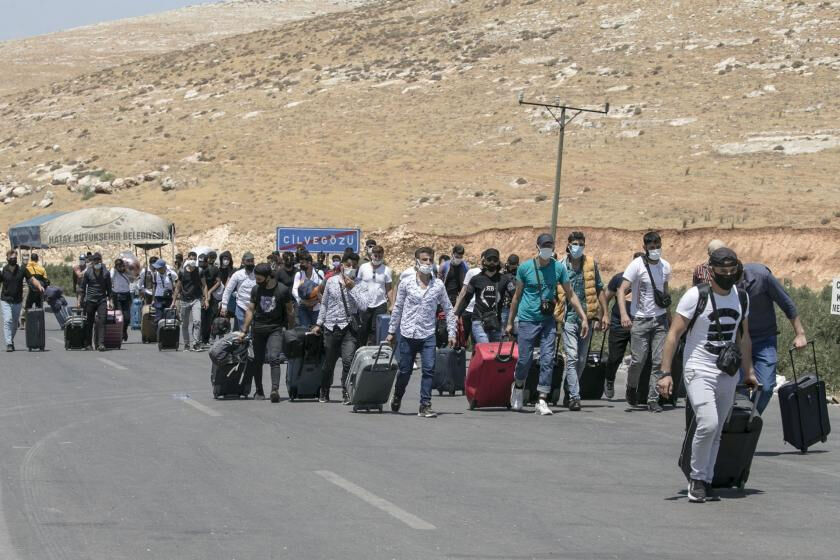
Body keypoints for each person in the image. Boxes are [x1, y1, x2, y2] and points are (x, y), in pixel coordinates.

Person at [658, 247, 758, 503]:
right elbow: (673, 335)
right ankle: (696, 478)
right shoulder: (695, 296)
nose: (727, 275)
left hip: (727, 372)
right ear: (710, 271)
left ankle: (706, 478)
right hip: (698, 368)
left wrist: (749, 371)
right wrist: (666, 373)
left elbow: (744, 338)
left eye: (731, 271)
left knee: (718, 429)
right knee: (709, 422)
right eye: (722, 271)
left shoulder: (742, 298)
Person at [506, 233, 589, 416]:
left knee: (548, 359)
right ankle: (518, 386)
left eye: (550, 246)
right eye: (544, 246)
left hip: (548, 321)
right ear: (537, 247)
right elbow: (517, 297)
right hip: (527, 319)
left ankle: (542, 399)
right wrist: (510, 322)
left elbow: (570, 294)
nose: (547, 249)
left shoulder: (558, 268)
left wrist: (583, 316)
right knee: (525, 359)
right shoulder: (525, 268)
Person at [387, 246, 456, 418]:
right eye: (424, 260)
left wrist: (452, 333)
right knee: (405, 371)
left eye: (430, 260)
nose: (428, 263)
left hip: (427, 333)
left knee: (429, 369)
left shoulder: (438, 285)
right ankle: (397, 395)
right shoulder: (406, 284)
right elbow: (398, 308)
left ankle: (425, 405)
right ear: (417, 261)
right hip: (408, 333)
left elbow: (448, 309)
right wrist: (391, 331)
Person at [738, 262, 808, 413]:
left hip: (764, 340)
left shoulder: (762, 276)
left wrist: (800, 333)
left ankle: (751, 417)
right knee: (739, 389)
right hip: (738, 341)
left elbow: (786, 302)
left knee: (767, 387)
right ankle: (740, 425)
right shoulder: (723, 283)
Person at [616, 232, 673, 412]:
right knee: (638, 360)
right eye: (651, 247)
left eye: (657, 245)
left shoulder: (665, 266)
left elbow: (664, 292)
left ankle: (653, 399)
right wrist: (625, 315)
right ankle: (631, 386)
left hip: (660, 320)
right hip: (640, 320)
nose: (655, 249)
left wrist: (669, 316)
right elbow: (621, 290)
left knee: (658, 361)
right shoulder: (637, 265)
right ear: (645, 248)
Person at [556, 231, 610, 410]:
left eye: (580, 244)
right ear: (568, 245)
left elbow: (599, 289)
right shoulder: (561, 266)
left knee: (581, 359)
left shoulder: (590, 264)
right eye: (574, 244)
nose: (577, 247)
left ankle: (569, 388)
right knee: (571, 357)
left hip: (588, 318)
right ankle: (574, 397)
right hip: (568, 318)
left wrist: (604, 313)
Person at [312, 252, 368, 403]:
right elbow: (324, 304)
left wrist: (352, 288)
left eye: (354, 266)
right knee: (329, 363)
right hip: (331, 327)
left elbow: (363, 306)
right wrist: (319, 323)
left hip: (349, 327)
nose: (351, 268)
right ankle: (324, 390)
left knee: (348, 361)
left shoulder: (361, 284)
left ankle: (346, 391)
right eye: (348, 265)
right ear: (342, 265)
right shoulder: (331, 281)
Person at [240, 263, 295, 401]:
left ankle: (274, 390)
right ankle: (259, 391)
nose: (257, 282)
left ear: (268, 277)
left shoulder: (282, 290)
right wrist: (244, 330)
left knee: (274, 357)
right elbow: (250, 310)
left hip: (275, 328)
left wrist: (291, 330)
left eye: (259, 279)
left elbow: (290, 311)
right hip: (258, 329)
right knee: (257, 361)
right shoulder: (256, 290)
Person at [603, 252, 645, 399]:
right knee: (615, 357)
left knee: (639, 358)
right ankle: (609, 379)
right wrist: (604, 315)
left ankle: (632, 387)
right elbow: (605, 297)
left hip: (640, 324)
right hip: (618, 323)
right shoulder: (619, 278)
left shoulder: (648, 281)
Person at [455, 248, 504, 343]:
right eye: (489, 260)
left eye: (495, 260)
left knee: (496, 354)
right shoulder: (476, 279)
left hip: (496, 322)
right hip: (479, 321)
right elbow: (466, 298)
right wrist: (457, 314)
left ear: (498, 262)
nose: (492, 262)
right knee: (485, 349)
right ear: (484, 261)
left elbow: (516, 297)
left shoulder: (504, 279)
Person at [1, 250, 42, 351]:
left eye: (15, 258)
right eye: (11, 258)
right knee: (7, 320)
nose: (13, 260)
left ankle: (10, 339)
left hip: (17, 301)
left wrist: (39, 286)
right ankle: (9, 343)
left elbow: (32, 279)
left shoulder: (22, 270)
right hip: (5, 300)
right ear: (7, 259)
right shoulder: (3, 270)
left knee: (14, 323)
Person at [356, 245, 394, 346]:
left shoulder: (387, 270)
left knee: (375, 329)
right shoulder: (363, 267)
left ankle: (373, 351)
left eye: (379, 256)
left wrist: (392, 304)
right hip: (365, 303)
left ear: (382, 256)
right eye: (375, 255)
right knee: (363, 328)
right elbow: (358, 284)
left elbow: (389, 288)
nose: (377, 258)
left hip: (380, 303)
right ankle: (360, 350)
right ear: (371, 255)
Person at [172, 259, 208, 351]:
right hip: (184, 300)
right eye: (190, 267)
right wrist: (173, 302)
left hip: (196, 299)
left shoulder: (199, 271)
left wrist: (206, 299)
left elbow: (204, 285)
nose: (192, 269)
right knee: (185, 324)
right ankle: (186, 344)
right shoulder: (182, 272)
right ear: (187, 266)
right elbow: (178, 287)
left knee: (197, 321)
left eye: (193, 267)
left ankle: (196, 343)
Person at [79, 252, 112, 351]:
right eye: (95, 260)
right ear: (92, 262)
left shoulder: (106, 273)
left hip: (102, 300)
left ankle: (101, 344)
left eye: (98, 260)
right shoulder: (88, 272)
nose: (97, 262)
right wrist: (80, 300)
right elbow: (83, 287)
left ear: (101, 261)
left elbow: (109, 289)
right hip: (90, 300)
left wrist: (110, 301)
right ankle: (88, 344)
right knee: (89, 322)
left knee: (102, 320)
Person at [221, 252, 256, 331]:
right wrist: (224, 306)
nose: (250, 263)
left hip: (255, 306)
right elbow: (228, 290)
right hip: (241, 306)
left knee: (254, 331)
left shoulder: (258, 273)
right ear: (243, 261)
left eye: (252, 261)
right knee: (242, 331)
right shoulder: (237, 274)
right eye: (248, 261)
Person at [292, 253, 324, 328]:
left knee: (316, 330)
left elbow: (322, 289)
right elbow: (294, 290)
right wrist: (302, 301)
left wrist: (315, 301)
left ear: (309, 263)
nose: (300, 265)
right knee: (304, 329)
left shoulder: (319, 273)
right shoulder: (299, 274)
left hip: (317, 307)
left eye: (302, 263)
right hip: (303, 307)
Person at [110, 258, 133, 342]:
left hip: (126, 295)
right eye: (118, 266)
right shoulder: (114, 272)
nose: (120, 267)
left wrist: (126, 269)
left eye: (121, 265)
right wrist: (115, 269)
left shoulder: (126, 272)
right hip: (117, 295)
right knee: (120, 316)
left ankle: (124, 331)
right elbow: (110, 278)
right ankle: (119, 334)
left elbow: (132, 278)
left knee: (127, 318)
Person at [201, 252, 221, 345]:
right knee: (202, 317)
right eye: (210, 257)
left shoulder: (215, 269)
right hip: (202, 294)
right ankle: (201, 338)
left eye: (213, 258)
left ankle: (206, 338)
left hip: (211, 296)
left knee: (209, 318)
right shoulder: (202, 269)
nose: (211, 259)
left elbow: (218, 282)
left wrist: (209, 291)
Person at [499, 254, 519, 334]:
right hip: (504, 305)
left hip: (516, 305)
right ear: (508, 262)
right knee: (503, 330)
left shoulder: (520, 272)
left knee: (517, 330)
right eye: (510, 265)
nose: (511, 267)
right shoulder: (502, 272)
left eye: (514, 265)